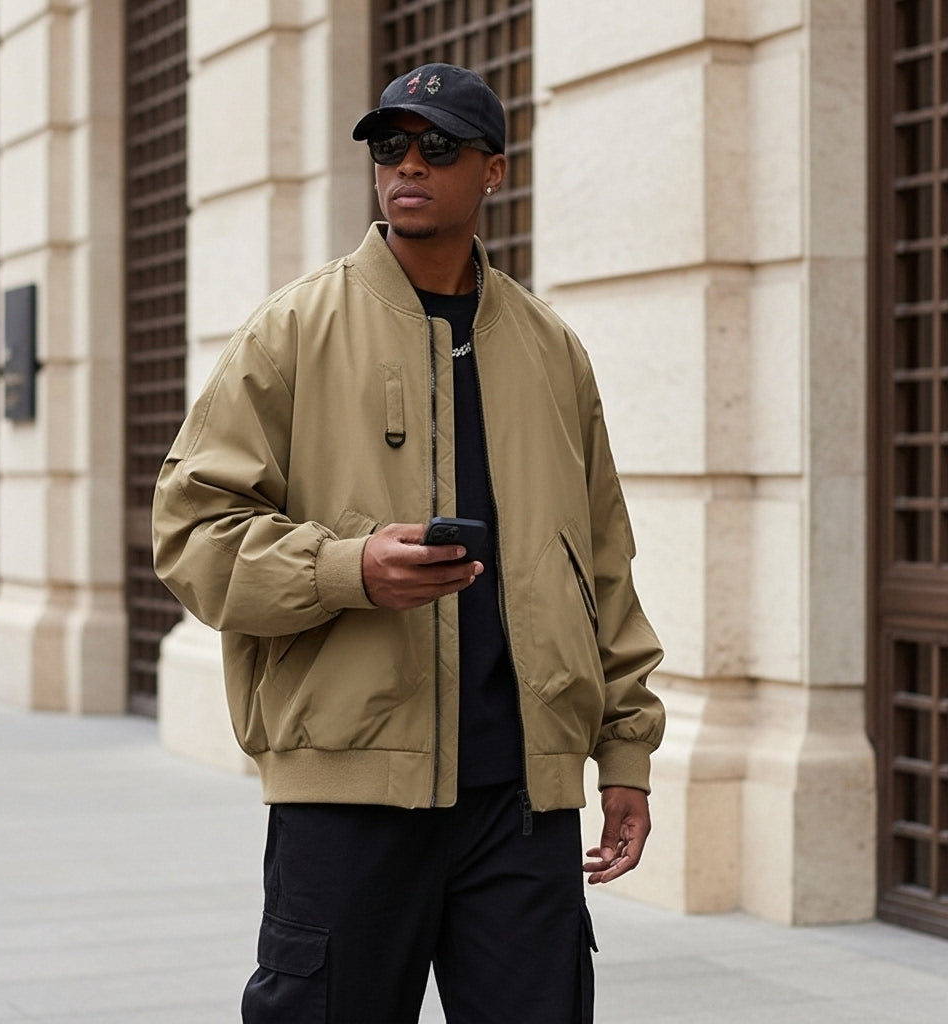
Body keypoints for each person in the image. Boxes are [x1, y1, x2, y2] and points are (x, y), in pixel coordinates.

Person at [152, 62, 664, 1024]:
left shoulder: (552, 349)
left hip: (523, 801)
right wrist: (349, 571)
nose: (408, 165)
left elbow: (602, 564)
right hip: (349, 793)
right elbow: (192, 535)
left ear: (494, 173)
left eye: (439, 146)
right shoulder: (294, 329)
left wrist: (624, 750)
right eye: (390, 146)